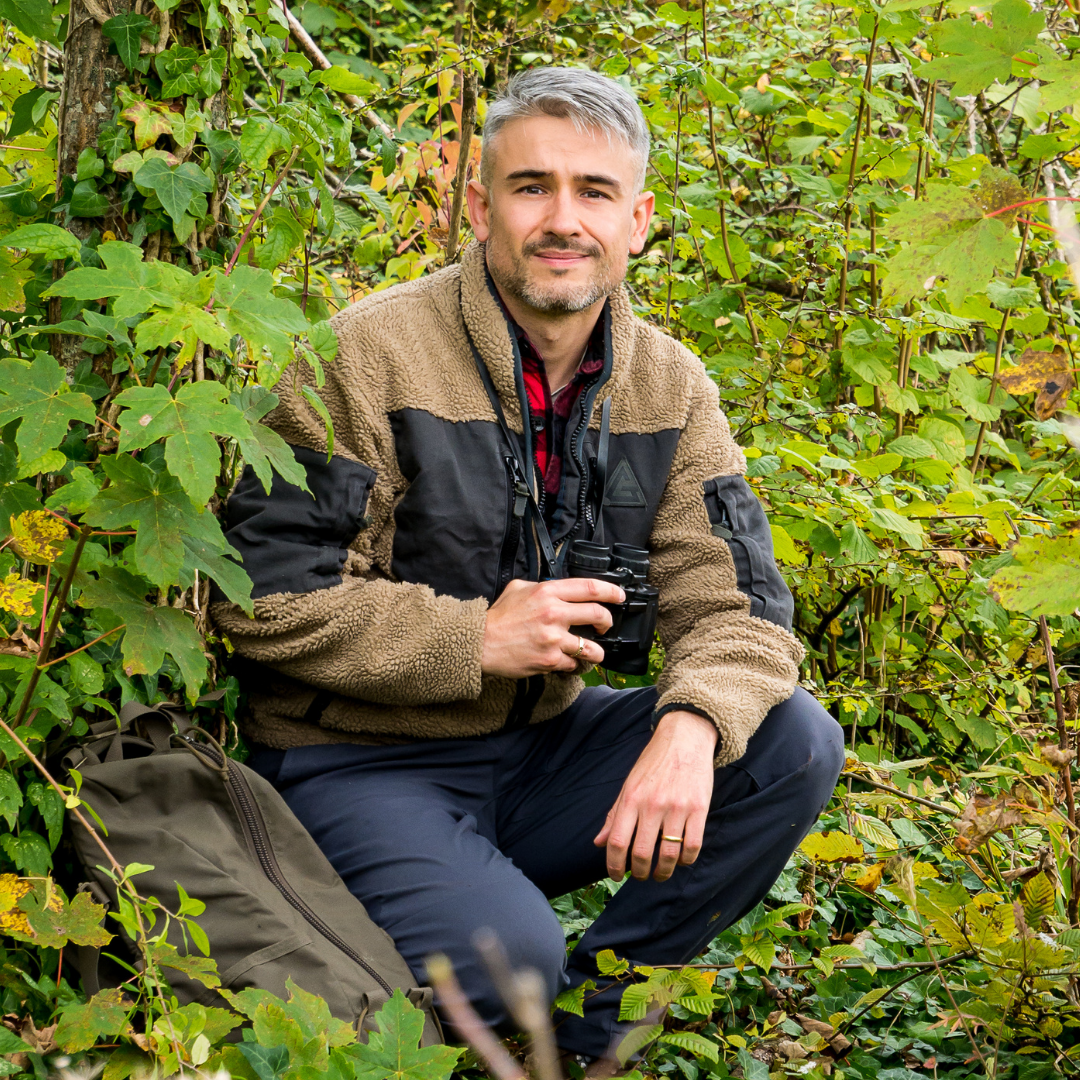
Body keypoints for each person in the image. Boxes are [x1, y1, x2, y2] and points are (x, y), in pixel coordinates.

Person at [212, 66, 845, 1073]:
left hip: (541, 754)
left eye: (594, 193)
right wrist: (476, 638)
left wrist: (691, 722)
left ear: (637, 221)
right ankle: (396, 947)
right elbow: (266, 594)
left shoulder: (671, 388)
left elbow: (745, 609)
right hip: (354, 763)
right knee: (509, 958)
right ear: (479, 207)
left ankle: (587, 1039)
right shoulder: (362, 355)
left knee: (791, 739)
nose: (563, 220)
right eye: (531, 187)